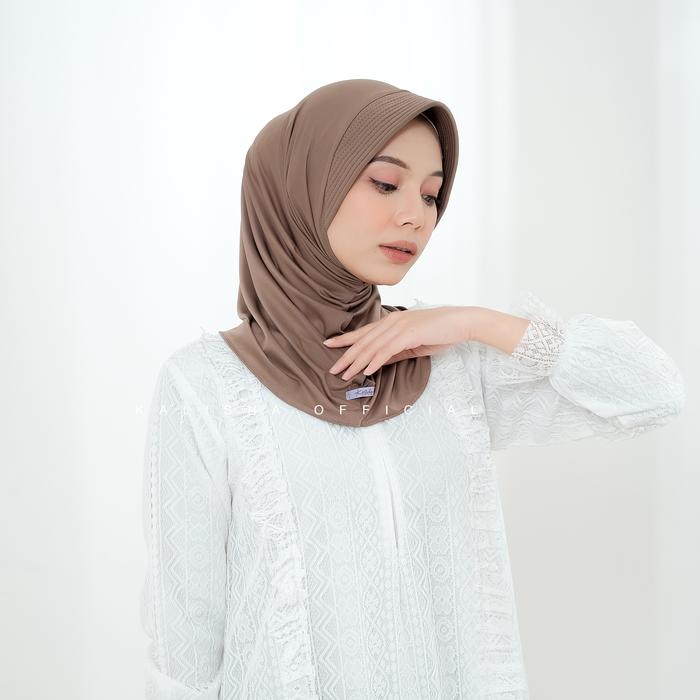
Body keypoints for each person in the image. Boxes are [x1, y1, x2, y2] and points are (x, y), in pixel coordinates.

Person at [140, 79, 686, 699]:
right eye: (384, 183)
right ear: (301, 187)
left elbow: (653, 392)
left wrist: (474, 322)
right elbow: (184, 633)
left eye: (431, 195)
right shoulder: (207, 385)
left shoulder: (451, 362)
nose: (416, 217)